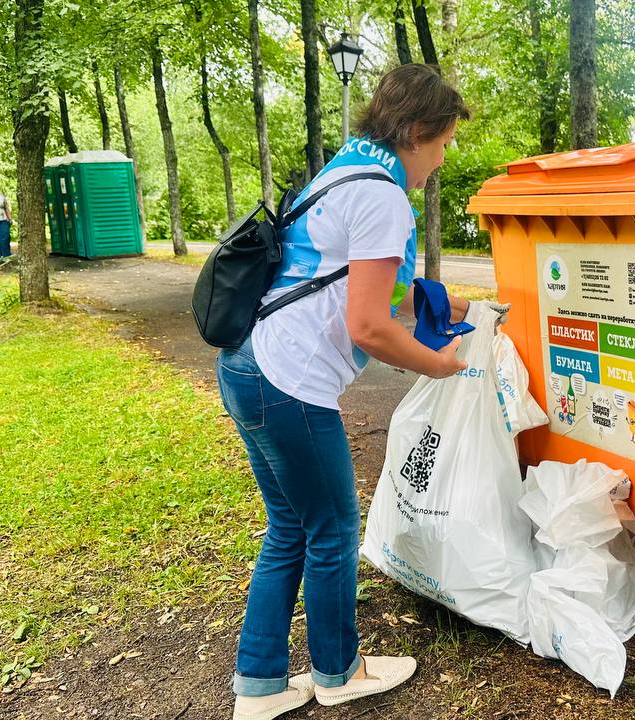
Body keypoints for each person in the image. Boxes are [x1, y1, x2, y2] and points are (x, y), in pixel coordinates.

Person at [218, 64, 497, 720]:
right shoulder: (383, 196)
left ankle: (258, 687)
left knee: (291, 524)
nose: (444, 156)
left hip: (247, 364)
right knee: (334, 527)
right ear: (419, 130)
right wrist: (440, 364)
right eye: (446, 142)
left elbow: (361, 280)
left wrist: (454, 302)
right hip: (288, 383)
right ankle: (340, 672)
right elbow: (368, 323)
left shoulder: (347, 167)